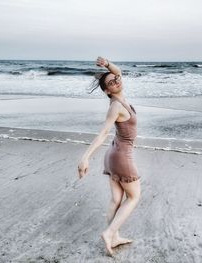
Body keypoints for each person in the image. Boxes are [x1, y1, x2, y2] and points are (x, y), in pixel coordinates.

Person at [77, 57, 141, 256]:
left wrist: (107, 65)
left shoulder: (121, 98)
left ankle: (115, 238)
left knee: (116, 200)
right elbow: (103, 133)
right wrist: (85, 157)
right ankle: (109, 232)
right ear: (107, 91)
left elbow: (118, 71)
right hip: (121, 157)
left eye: (117, 79)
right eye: (111, 83)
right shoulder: (116, 106)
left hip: (114, 155)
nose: (117, 82)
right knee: (134, 196)